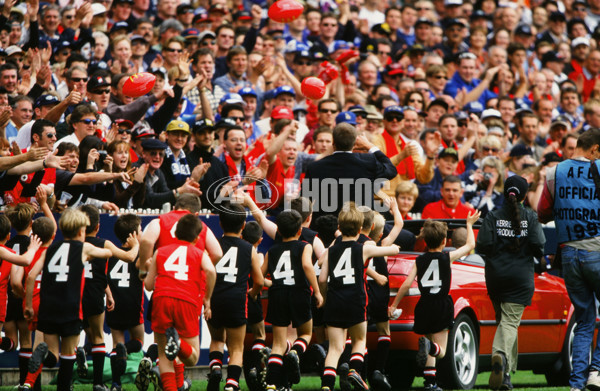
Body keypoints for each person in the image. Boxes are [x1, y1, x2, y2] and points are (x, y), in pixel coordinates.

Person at [388, 210, 480, 391]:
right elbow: (470, 244)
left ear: (425, 241)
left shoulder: (419, 261)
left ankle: (430, 383)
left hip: (423, 306)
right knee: (441, 350)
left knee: (428, 343)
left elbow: (406, 285)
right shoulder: (447, 257)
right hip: (441, 305)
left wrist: (394, 305)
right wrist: (469, 224)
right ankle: (430, 351)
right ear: (445, 241)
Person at [23, 208, 113, 391]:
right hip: (70, 308)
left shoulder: (50, 249)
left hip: (48, 307)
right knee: (67, 356)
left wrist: (29, 306)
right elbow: (107, 254)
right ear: (81, 231)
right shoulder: (83, 248)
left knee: (53, 355)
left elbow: (31, 276)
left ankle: (42, 355)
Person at [538, 128, 600, 391]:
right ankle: (596, 371)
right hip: (597, 250)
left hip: (569, 254)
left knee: (585, 319)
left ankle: (576, 384)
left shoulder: (554, 173)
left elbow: (542, 213)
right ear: (595, 150)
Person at [318, 202, 401, 391]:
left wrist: (324, 298)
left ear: (339, 228)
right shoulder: (364, 248)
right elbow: (391, 250)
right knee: (359, 341)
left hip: (335, 302)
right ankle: (355, 371)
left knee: (335, 348)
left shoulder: (331, 251)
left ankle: (326, 386)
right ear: (360, 230)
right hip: (356, 301)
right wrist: (394, 247)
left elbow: (322, 279)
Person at [476, 174, 546, 390]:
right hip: (520, 278)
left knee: (505, 323)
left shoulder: (492, 217)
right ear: (525, 195)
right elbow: (539, 245)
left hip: (496, 277)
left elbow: (482, 247)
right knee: (509, 323)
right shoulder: (530, 217)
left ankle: (506, 376)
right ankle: (499, 355)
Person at [144, 213, 216, 391]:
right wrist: (207, 298)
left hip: (162, 299)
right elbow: (211, 271)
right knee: (193, 358)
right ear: (197, 237)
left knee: (163, 354)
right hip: (187, 300)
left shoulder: (160, 251)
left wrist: (148, 267)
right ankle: (179, 344)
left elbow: (148, 285)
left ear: (175, 233)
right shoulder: (199, 253)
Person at [263, 210, 323, 390]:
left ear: (279, 231)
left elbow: (259, 273)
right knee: (305, 333)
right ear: (300, 231)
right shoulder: (305, 246)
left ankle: (272, 384)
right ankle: (295, 352)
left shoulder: (272, 250)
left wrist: (264, 285)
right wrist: (318, 291)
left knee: (278, 343)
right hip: (299, 293)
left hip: (278, 294)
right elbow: (306, 265)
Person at [207, 203, 263, 391]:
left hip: (214, 298)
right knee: (236, 347)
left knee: (217, 339)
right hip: (237, 300)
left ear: (220, 224)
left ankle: (215, 368)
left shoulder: (213, 246)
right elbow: (260, 280)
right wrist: (253, 293)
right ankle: (232, 383)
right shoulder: (249, 249)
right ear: (243, 226)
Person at [302, 123, 397, 221]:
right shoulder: (368, 162)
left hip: (327, 229)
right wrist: (369, 146)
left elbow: (304, 202)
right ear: (355, 143)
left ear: (333, 142)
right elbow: (391, 170)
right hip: (361, 228)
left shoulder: (315, 167)